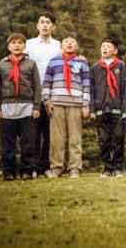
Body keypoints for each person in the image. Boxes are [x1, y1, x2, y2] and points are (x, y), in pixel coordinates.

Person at [0, 33, 41, 181]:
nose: (17, 45)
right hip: (7, 107)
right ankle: (9, 172)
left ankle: (26, 170)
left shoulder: (31, 64)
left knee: (27, 142)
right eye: (13, 43)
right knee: (8, 143)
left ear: (24, 46)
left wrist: (37, 106)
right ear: (8, 46)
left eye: (20, 43)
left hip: (27, 106)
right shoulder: (1, 65)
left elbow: (37, 86)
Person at [42, 34, 90, 179]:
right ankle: (57, 167)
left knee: (75, 138)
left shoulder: (82, 62)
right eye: (66, 42)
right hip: (56, 104)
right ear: (61, 45)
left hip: (75, 103)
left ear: (76, 46)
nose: (69, 44)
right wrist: (46, 101)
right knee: (57, 138)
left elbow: (86, 85)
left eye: (72, 42)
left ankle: (75, 168)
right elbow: (47, 82)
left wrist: (85, 104)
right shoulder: (53, 61)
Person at [25, 12, 61, 178]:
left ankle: (46, 166)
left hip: (52, 94)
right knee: (33, 132)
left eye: (48, 22)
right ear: (37, 26)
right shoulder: (29, 44)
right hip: (33, 93)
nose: (45, 25)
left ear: (53, 27)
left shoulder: (58, 45)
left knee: (49, 133)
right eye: (42, 22)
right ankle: (33, 167)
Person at [90, 38, 126, 178]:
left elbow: (125, 90)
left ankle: (118, 168)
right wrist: (93, 109)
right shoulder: (95, 67)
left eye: (108, 46)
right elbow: (92, 89)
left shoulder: (121, 66)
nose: (105, 48)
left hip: (117, 110)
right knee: (103, 140)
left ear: (115, 51)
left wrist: (125, 111)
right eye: (103, 46)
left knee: (118, 139)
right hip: (101, 110)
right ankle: (107, 168)